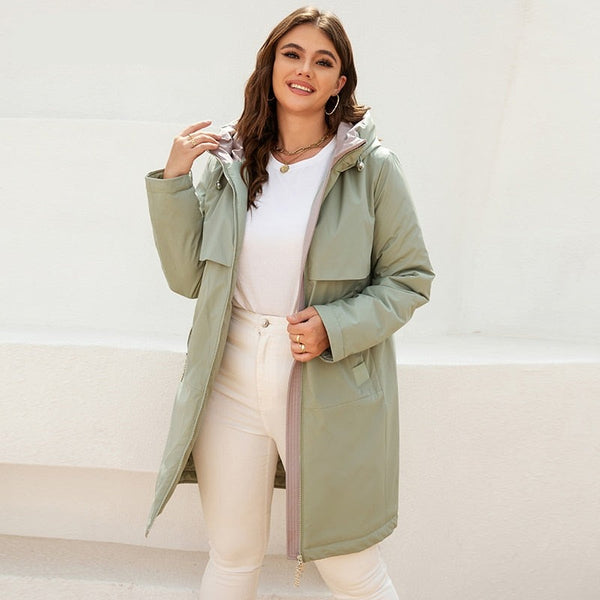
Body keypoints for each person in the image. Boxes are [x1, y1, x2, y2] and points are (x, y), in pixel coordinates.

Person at [144, 6, 434, 600]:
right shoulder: (230, 164)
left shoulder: (370, 169)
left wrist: (335, 324)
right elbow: (187, 278)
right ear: (271, 65)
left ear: (339, 83)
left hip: (325, 379)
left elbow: (410, 278)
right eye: (292, 54)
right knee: (232, 558)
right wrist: (175, 180)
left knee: (352, 569)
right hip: (229, 372)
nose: (304, 70)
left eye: (323, 61)